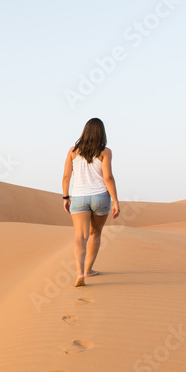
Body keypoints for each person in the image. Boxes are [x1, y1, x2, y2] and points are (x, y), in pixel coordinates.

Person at [61, 118, 120, 287]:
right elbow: (108, 177)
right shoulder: (105, 152)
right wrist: (115, 201)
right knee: (95, 233)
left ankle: (80, 272)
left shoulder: (73, 151)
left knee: (80, 236)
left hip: (79, 197)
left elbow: (66, 176)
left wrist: (66, 197)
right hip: (100, 196)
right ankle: (88, 269)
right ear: (101, 133)